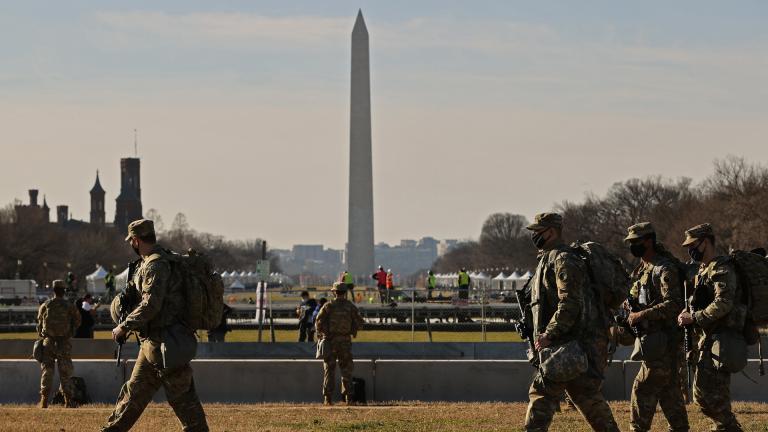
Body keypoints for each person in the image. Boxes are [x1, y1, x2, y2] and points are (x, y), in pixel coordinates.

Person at [101, 219, 208, 432]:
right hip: (153, 344)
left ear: (136, 240)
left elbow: (151, 305)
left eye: (131, 240)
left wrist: (124, 326)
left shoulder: (156, 265)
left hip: (168, 344)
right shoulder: (151, 262)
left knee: (185, 402)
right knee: (133, 396)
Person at [523, 212, 620, 432]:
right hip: (574, 347)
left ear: (551, 231)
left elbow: (570, 303)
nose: (535, 236)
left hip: (567, 346)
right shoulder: (550, 258)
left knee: (541, 396)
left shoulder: (563, 259)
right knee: (589, 400)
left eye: (538, 232)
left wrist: (550, 334)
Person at [678, 223, 745, 432]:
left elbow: (723, 303)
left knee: (713, 394)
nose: (690, 250)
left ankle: (728, 427)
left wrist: (694, 318)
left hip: (723, 339)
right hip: (708, 337)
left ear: (705, 242)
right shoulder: (703, 270)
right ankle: (725, 427)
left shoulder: (722, 268)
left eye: (693, 245)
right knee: (703, 395)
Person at [623, 222, 688, 432]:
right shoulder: (644, 268)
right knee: (669, 392)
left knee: (642, 389)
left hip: (665, 343)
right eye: (630, 242)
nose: (632, 246)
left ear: (649, 241)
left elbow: (673, 304)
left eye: (636, 242)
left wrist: (641, 314)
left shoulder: (664, 268)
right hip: (655, 343)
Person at [315, 283, 364, 405]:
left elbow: (318, 322)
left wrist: (323, 334)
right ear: (345, 292)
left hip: (330, 342)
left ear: (334, 292)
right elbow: (360, 323)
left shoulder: (328, 306)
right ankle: (349, 398)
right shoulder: (350, 306)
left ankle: (328, 398)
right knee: (346, 370)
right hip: (345, 342)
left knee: (329, 370)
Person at [37, 279, 81, 408]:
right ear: (64, 291)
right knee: (65, 372)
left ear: (53, 290)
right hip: (64, 342)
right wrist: (70, 332)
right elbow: (78, 321)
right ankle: (68, 401)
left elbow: (39, 323)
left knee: (47, 371)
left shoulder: (46, 305)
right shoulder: (69, 306)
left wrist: (43, 335)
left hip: (48, 342)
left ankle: (44, 400)